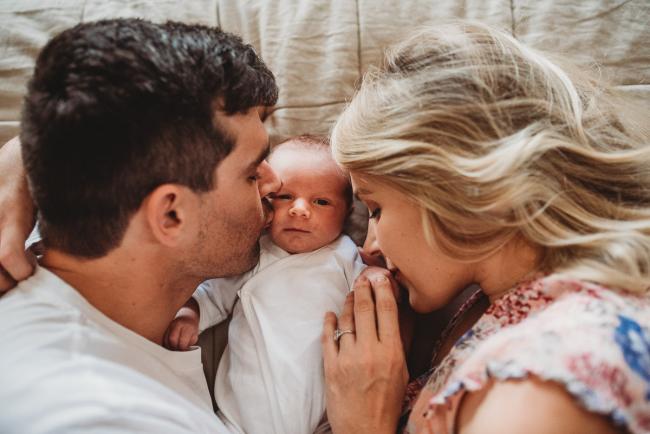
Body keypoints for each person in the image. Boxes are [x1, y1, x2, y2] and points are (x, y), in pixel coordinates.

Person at [321, 22, 650, 434]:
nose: (368, 245)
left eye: (375, 208)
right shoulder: (496, 304)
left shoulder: (543, 387)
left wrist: (364, 426)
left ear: (456, 185)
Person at [0, 18, 283, 433]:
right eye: (252, 171)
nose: (275, 182)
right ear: (171, 215)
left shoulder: (78, 211)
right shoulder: (99, 415)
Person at [165, 135, 366, 434]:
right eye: (285, 196)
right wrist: (192, 313)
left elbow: (370, 297)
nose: (299, 209)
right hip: (242, 419)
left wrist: (375, 276)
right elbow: (213, 296)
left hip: (325, 418)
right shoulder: (254, 253)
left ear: (347, 213)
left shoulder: (346, 257)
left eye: (321, 201)